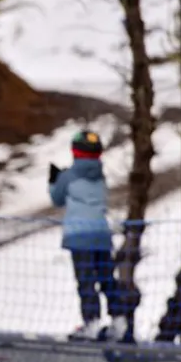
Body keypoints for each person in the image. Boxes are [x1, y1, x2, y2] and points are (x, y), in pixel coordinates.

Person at [49, 130, 128, 341]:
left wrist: (53, 180)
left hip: (79, 235)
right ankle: (119, 320)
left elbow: (57, 199)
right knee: (107, 279)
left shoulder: (67, 175)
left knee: (86, 281)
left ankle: (91, 323)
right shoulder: (101, 176)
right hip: (101, 234)